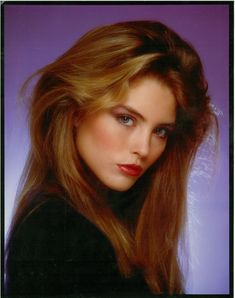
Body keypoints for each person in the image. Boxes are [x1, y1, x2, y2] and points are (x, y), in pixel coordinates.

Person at [5, 20, 217, 296]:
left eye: (161, 131)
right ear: (76, 112)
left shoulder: (112, 224)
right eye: (126, 118)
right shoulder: (57, 229)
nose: (143, 147)